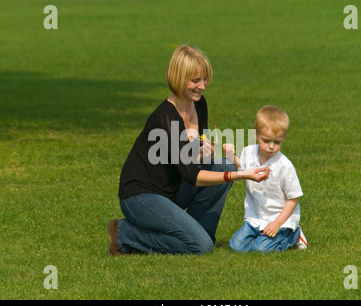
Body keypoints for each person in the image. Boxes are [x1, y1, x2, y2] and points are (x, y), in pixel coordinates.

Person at [107, 45, 270, 256]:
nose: (202, 86)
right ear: (178, 77)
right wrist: (241, 174)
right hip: (141, 195)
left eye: (205, 79)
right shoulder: (164, 117)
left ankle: (197, 235)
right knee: (200, 246)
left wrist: (203, 152)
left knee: (223, 164)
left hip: (172, 189)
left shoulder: (199, 105)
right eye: (195, 81)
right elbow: (192, 175)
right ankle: (124, 233)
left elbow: (190, 156)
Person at [228, 106, 308, 253]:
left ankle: (294, 235)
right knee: (236, 246)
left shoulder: (285, 166)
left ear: (284, 138)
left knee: (260, 249)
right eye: (266, 141)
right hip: (255, 218)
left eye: (277, 142)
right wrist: (230, 156)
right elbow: (243, 170)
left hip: (280, 219)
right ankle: (262, 237)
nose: (271, 147)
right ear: (256, 134)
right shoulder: (248, 152)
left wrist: (277, 223)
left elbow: (293, 199)